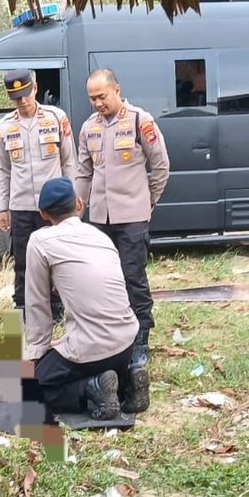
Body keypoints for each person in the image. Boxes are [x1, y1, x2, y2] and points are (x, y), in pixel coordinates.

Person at [23, 177, 145, 420]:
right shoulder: (101, 237)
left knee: (29, 391)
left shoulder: (39, 241)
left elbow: (37, 304)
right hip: (126, 341)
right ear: (79, 204)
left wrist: (36, 356)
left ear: (43, 214)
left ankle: (92, 387)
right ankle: (126, 384)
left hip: (91, 348)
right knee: (84, 359)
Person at [74, 68, 170, 370]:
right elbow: (84, 173)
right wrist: (77, 214)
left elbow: (161, 166)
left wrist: (148, 202)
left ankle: (141, 338)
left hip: (132, 218)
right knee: (103, 280)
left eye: (102, 96)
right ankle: (112, 338)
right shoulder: (89, 128)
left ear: (117, 90)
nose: (98, 103)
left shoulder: (141, 120)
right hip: (100, 219)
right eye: (92, 99)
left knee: (133, 278)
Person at [0, 69, 77, 317]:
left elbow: (69, 161)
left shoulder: (55, 118)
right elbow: (2, 170)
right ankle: (22, 306)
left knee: (56, 257)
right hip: (21, 205)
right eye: (16, 97)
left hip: (53, 206)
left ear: (36, 89)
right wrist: (3, 208)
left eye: (26, 94)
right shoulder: (6, 126)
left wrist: (71, 199)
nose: (23, 101)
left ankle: (57, 306)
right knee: (22, 260)